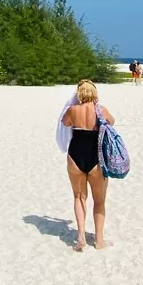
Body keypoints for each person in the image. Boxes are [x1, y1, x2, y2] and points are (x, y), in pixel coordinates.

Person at [61, 79, 115, 251]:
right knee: (99, 201)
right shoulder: (101, 110)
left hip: (75, 156)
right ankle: (99, 241)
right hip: (95, 157)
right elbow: (112, 122)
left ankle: (81, 237)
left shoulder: (72, 110)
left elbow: (64, 123)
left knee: (78, 197)